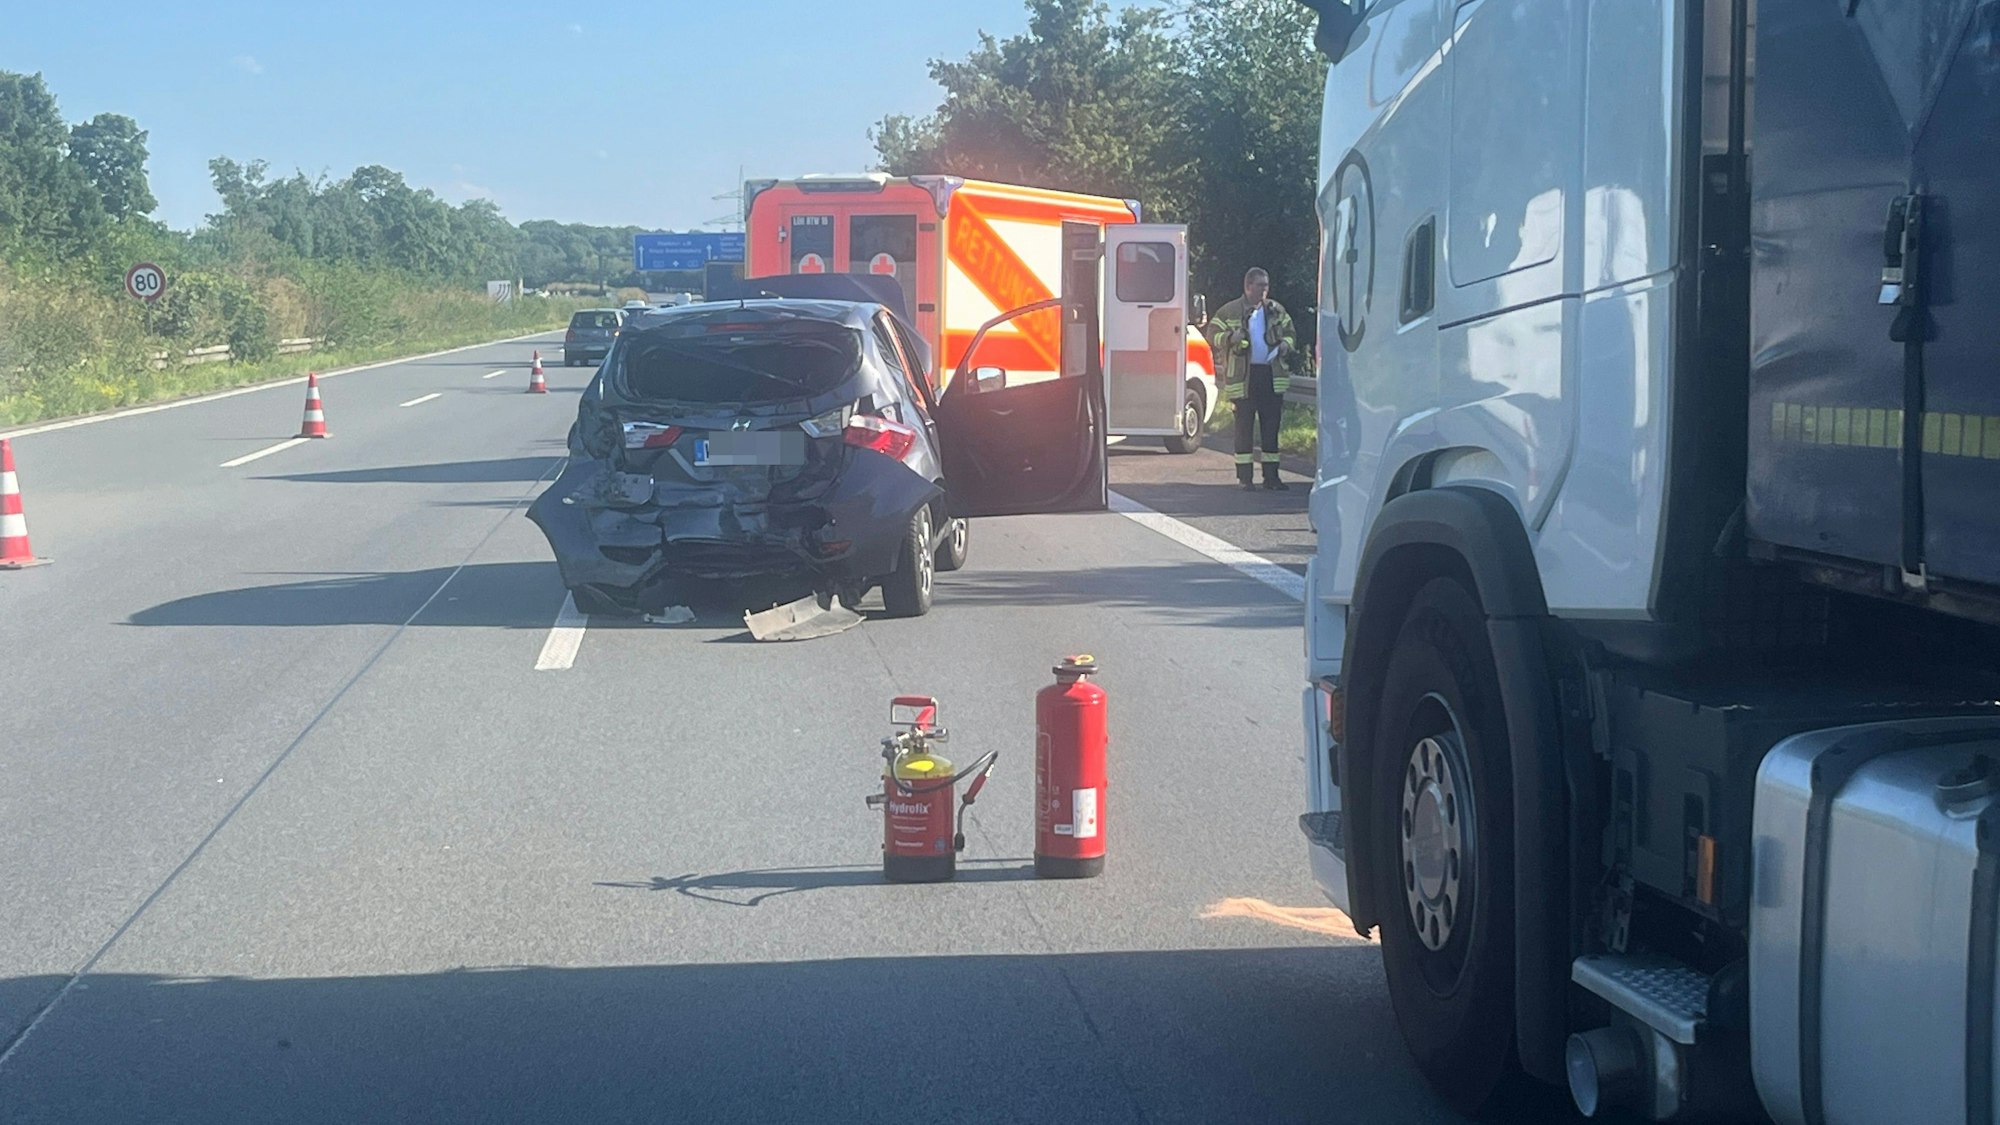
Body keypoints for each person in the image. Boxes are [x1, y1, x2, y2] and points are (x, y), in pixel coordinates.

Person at [1205, 267, 1298, 491]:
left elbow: (1291, 333)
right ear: (1248, 287)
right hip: (1244, 378)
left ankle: (1271, 478)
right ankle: (1245, 479)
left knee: (1271, 428)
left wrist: (1286, 344)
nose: (1264, 290)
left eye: (1266, 286)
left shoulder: (1276, 310)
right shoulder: (1230, 311)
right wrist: (1230, 337)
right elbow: (1211, 334)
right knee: (1244, 429)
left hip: (1271, 376)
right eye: (1260, 286)